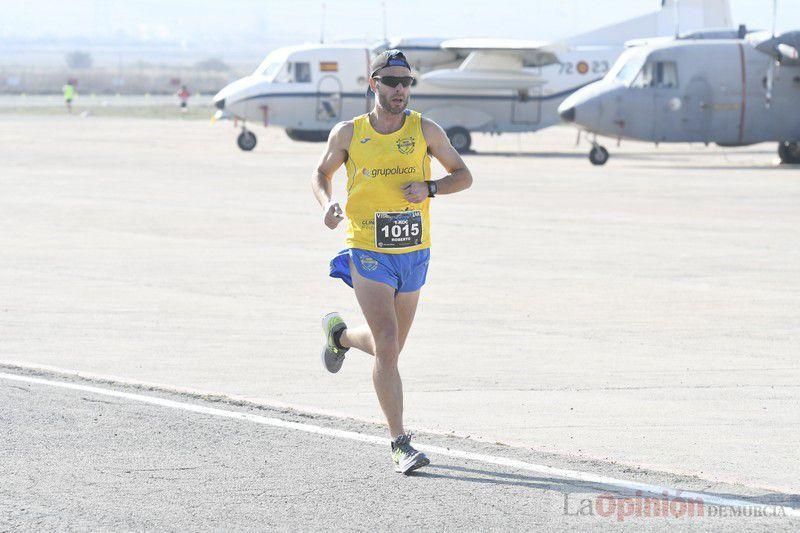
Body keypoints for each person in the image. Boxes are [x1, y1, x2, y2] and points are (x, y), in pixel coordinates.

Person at [311, 49, 473, 474]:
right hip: (367, 248)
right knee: (386, 341)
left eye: (406, 82)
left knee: (392, 350)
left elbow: (463, 174)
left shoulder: (425, 129)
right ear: (374, 84)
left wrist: (431, 188)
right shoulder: (350, 132)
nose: (400, 89)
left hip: (414, 252)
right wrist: (329, 203)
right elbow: (321, 173)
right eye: (392, 81)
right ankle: (400, 442)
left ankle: (341, 337)